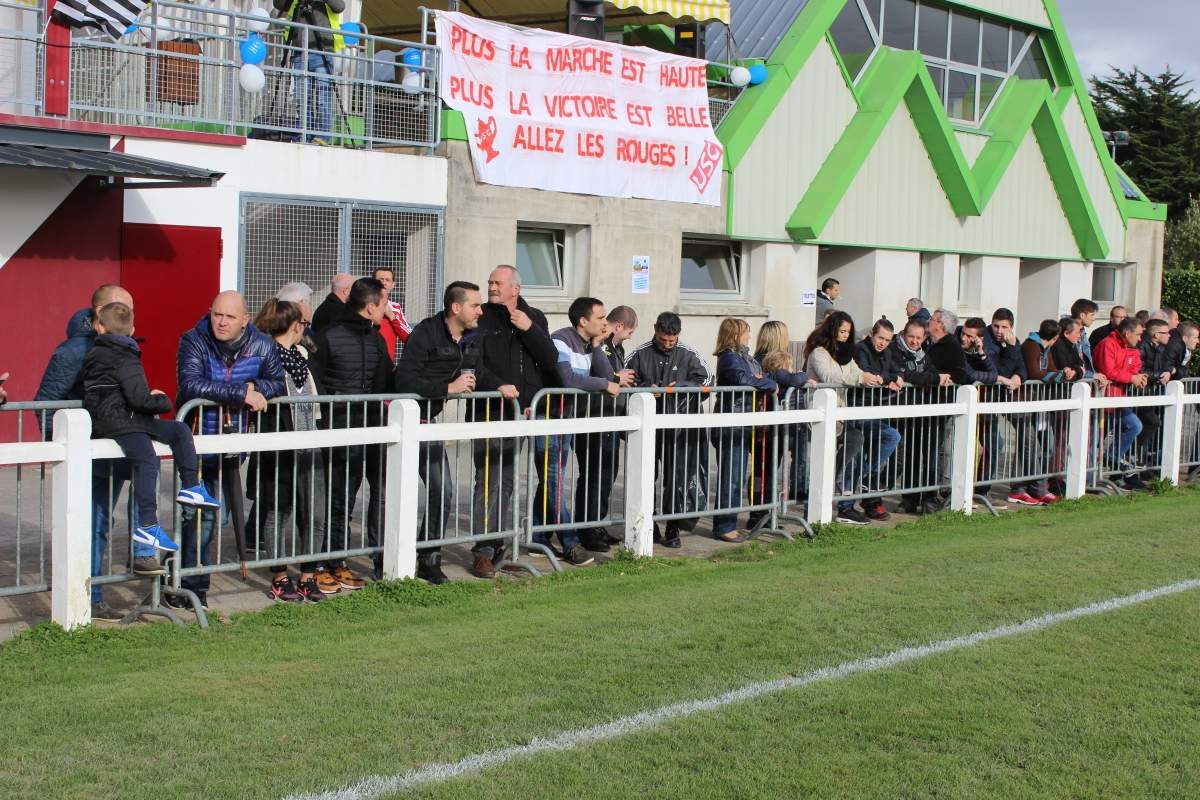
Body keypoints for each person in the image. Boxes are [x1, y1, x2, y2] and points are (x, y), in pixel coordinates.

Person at [80, 302, 221, 581]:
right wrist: (162, 400)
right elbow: (137, 398)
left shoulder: (96, 351)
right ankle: (148, 523)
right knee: (146, 461)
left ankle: (192, 487)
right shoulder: (125, 354)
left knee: (179, 431)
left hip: (121, 419)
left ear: (99, 326)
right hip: (124, 422)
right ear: (132, 329)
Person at [173, 291, 285, 610]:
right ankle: (192, 586)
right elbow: (190, 384)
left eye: (229, 317)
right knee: (201, 517)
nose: (221, 322)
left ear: (245, 320)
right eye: (216, 314)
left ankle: (179, 573)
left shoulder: (263, 344)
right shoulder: (193, 339)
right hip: (196, 441)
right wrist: (240, 394)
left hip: (233, 445)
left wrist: (258, 389)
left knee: (211, 518)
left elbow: (277, 381)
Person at [34, 283, 136, 619]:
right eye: (121, 308)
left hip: (112, 452)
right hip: (85, 456)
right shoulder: (73, 352)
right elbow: (45, 402)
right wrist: (61, 452)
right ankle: (86, 596)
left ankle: (89, 591)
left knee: (101, 522)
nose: (129, 315)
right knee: (90, 523)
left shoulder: (123, 347)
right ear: (99, 314)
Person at [396, 281, 498, 584]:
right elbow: (404, 381)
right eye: (475, 305)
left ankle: (429, 560)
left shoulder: (471, 337)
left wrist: (502, 385)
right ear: (456, 308)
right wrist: (446, 388)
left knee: (444, 489)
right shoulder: (426, 333)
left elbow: (478, 371)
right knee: (388, 495)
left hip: (428, 424)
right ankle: (383, 562)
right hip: (400, 424)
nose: (481, 311)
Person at [471, 265, 557, 577]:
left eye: (497, 282)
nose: (491, 287)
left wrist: (529, 328)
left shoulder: (534, 316)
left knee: (507, 482)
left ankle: (501, 544)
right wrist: (497, 387)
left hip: (525, 413)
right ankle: (483, 550)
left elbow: (548, 360)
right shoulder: (480, 317)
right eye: (490, 281)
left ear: (515, 289)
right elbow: (474, 365)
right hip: (490, 413)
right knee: (490, 480)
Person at [309, 277, 393, 587]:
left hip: (370, 431)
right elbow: (316, 384)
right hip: (336, 432)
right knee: (337, 499)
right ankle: (324, 563)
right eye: (384, 305)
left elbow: (385, 383)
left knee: (361, 496)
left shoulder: (376, 340)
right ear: (370, 306)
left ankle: (345, 560)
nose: (387, 311)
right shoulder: (328, 336)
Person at [246, 299, 328, 603]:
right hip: (279, 446)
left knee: (315, 512)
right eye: (303, 323)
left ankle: (308, 575)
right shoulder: (263, 359)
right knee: (278, 511)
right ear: (296, 325)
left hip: (310, 443)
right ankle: (280, 577)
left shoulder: (302, 356)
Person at [549, 297, 632, 558]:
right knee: (553, 480)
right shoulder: (560, 339)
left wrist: (597, 346)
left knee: (550, 480)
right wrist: (604, 385)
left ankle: (540, 535)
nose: (606, 323)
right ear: (583, 321)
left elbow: (607, 375)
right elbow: (568, 379)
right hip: (552, 417)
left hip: (572, 418)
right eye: (601, 318)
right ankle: (569, 539)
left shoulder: (589, 343)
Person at [626, 312, 712, 547]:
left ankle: (673, 528)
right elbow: (626, 381)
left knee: (676, 479)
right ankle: (649, 526)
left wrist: (682, 386)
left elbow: (706, 380)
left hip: (679, 431)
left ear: (678, 336)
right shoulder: (639, 354)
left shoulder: (689, 354)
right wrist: (645, 388)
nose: (667, 344)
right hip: (647, 429)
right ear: (655, 329)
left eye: (671, 341)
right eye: (663, 339)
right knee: (647, 478)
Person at [803, 312, 883, 525]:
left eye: (849, 332)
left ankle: (836, 480)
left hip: (838, 416)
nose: (846, 336)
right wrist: (860, 378)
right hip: (818, 416)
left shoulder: (847, 354)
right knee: (818, 461)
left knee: (856, 438)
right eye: (842, 331)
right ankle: (812, 507)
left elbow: (857, 371)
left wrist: (870, 378)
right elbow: (829, 377)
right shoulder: (819, 352)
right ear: (832, 330)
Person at [575, 305, 638, 549]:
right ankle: (587, 530)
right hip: (594, 419)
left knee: (606, 476)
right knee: (592, 477)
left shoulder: (614, 347)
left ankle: (597, 525)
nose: (630, 337)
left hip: (611, 421)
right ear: (619, 326)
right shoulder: (598, 345)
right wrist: (615, 378)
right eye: (630, 331)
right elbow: (603, 374)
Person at [711, 319, 778, 542]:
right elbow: (742, 379)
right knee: (732, 477)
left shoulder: (742, 357)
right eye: (746, 333)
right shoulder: (730, 357)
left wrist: (762, 380)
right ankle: (724, 525)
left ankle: (727, 523)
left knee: (736, 476)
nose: (749, 337)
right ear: (734, 336)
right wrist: (765, 383)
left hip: (742, 422)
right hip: (732, 423)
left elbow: (758, 377)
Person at [849, 319, 905, 520]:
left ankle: (868, 487)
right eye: (880, 338)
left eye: (887, 340)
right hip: (857, 411)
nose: (883, 343)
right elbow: (869, 374)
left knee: (885, 442)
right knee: (891, 437)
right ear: (872, 334)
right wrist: (889, 378)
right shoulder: (860, 349)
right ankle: (864, 483)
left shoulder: (888, 352)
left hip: (875, 409)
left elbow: (897, 371)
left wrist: (892, 377)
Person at [887, 319, 944, 514]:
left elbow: (931, 371)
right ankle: (909, 499)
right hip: (903, 411)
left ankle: (929, 497)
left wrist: (934, 377)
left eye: (919, 338)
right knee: (908, 456)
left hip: (922, 411)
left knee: (927, 455)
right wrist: (934, 379)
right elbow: (907, 374)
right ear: (903, 334)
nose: (914, 341)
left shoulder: (923, 355)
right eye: (911, 336)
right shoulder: (894, 351)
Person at [273, 0, 346, 144]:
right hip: (300, 53)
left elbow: (339, 6)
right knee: (302, 98)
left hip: (322, 51)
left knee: (322, 98)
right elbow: (279, 4)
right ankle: (304, 134)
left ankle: (322, 136)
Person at [1093, 317, 1148, 490]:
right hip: (1102, 400)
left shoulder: (1131, 348)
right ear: (1127, 333)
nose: (1140, 339)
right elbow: (1108, 371)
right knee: (1094, 440)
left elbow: (1134, 368)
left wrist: (1137, 377)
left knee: (1135, 425)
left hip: (1118, 399)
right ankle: (1086, 480)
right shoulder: (1107, 344)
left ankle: (1112, 457)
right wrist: (1131, 377)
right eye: (1138, 334)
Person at [372, 267, 412, 363]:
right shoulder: (363, 305)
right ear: (372, 282)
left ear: (393, 285)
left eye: (388, 280)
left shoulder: (395, 307)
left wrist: (392, 317)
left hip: (386, 364)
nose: (384, 283)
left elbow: (409, 337)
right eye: (380, 280)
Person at [959, 318, 998, 385]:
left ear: (980, 339)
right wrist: (1000, 378)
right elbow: (971, 375)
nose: (963, 338)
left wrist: (981, 352)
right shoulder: (955, 347)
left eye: (969, 336)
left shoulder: (984, 349)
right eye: (963, 333)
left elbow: (994, 372)